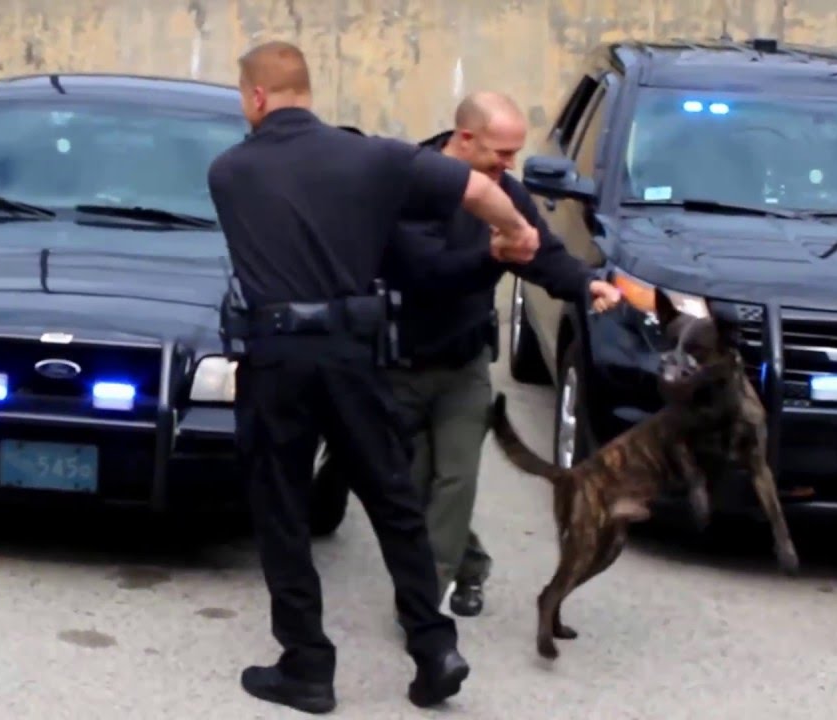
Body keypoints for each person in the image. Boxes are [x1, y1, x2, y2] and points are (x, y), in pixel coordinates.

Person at [206, 40, 541, 714]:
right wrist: (515, 235)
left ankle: (307, 666)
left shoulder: (230, 171)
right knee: (393, 501)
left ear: (258, 97)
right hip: (355, 355)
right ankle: (433, 647)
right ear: (307, 90)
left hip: (276, 358)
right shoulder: (376, 157)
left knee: (282, 510)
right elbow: (479, 187)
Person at [383, 91, 622, 619]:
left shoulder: (504, 192)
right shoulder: (411, 182)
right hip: (400, 363)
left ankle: (422, 606)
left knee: (455, 480)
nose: (509, 165)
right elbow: (425, 272)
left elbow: (541, 254)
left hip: (464, 365)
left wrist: (586, 286)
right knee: (415, 487)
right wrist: (489, 254)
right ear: (463, 139)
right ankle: (470, 564)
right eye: (500, 153)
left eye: (515, 154)